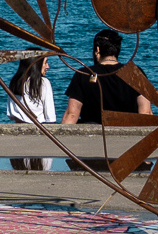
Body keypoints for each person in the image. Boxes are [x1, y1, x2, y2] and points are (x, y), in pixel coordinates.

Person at [61, 31, 151, 169]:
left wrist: (62, 143)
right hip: (127, 147)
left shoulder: (84, 74)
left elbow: (71, 115)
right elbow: (145, 114)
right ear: (117, 50)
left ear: (97, 50)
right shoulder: (135, 72)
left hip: (91, 148)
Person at [6, 50, 55, 171]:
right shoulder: (44, 83)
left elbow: (11, 113)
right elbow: (51, 118)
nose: (48, 66)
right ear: (36, 65)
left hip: (18, 138)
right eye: (45, 63)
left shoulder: (14, 83)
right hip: (41, 138)